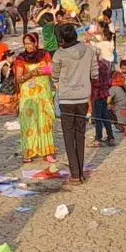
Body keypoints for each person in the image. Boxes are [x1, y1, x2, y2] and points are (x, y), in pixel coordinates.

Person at [52, 24, 97, 183]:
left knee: (68, 136)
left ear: (62, 39)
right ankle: (80, 171)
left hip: (66, 99)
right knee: (80, 135)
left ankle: (75, 174)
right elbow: (95, 74)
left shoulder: (59, 54)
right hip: (84, 98)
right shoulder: (89, 50)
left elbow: (54, 76)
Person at [15, 34, 56, 164]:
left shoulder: (44, 54)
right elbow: (18, 78)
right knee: (29, 122)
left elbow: (52, 69)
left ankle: (47, 151)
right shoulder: (21, 58)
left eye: (30, 43)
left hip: (43, 94)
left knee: (45, 121)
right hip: (28, 95)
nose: (28, 46)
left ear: (36, 43)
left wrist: (41, 71)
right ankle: (29, 151)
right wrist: (31, 73)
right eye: (25, 44)